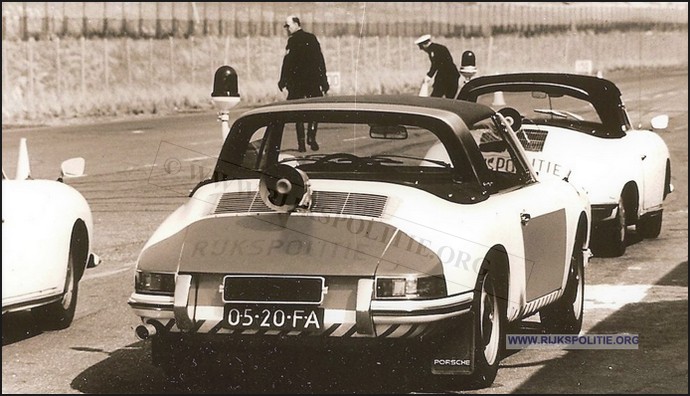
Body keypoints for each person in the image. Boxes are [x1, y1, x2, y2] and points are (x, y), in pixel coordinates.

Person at [278, 15, 329, 152]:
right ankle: (311, 136)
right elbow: (320, 61)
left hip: (297, 83)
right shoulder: (311, 38)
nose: (287, 29)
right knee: (314, 111)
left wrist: (283, 80)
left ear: (296, 24)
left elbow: (286, 63)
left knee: (298, 112)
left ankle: (301, 143)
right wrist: (324, 82)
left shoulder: (293, 41)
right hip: (312, 81)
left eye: (288, 26)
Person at [414, 34, 461, 99]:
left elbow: (436, 65)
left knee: (435, 98)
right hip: (451, 75)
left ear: (425, 44)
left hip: (446, 77)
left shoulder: (433, 51)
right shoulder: (438, 48)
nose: (421, 49)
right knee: (449, 99)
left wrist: (428, 76)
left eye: (421, 47)